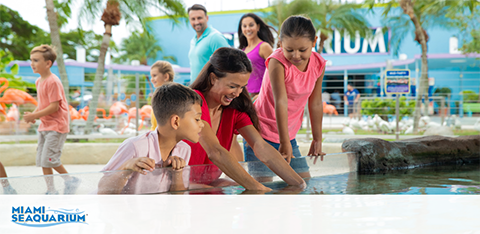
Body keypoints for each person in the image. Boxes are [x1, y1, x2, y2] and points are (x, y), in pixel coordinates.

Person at [187, 47, 306, 190]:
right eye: (232, 86)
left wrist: (299, 184)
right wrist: (257, 188)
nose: (237, 93)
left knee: (236, 187)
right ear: (213, 78)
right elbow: (215, 152)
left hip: (206, 182)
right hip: (178, 182)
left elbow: (260, 146)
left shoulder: (234, 110)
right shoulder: (194, 102)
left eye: (242, 87)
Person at [245, 15, 327, 179]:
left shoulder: (318, 63)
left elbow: (316, 102)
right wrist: (284, 143)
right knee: (262, 189)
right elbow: (280, 101)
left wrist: (317, 139)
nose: (296, 55)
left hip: (287, 135)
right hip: (260, 133)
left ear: (314, 42)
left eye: (302, 50)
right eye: (289, 50)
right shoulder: (277, 62)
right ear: (281, 44)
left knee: (302, 183)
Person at [98, 83, 205, 194]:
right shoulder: (135, 146)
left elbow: (177, 198)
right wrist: (126, 167)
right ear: (176, 122)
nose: (202, 124)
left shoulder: (184, 150)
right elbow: (102, 191)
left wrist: (177, 174)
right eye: (197, 119)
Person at [23, 45, 80, 195]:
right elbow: (43, 103)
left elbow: (54, 107)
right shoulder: (39, 81)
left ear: (48, 63)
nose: (32, 64)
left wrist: (35, 115)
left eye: (36, 60)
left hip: (56, 126)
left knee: (50, 159)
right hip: (45, 125)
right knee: (43, 160)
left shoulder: (53, 81)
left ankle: (70, 180)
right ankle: (51, 189)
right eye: (31, 60)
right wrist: (34, 114)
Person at [188, 4, 230, 83]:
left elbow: (227, 66)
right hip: (196, 89)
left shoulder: (215, 37)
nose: (196, 22)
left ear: (206, 18)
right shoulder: (193, 40)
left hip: (210, 89)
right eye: (193, 19)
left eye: (199, 18)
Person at [238, 13, 274, 99]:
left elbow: (275, 73)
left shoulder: (264, 47)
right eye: (244, 26)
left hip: (261, 96)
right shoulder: (242, 50)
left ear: (258, 27)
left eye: (251, 25)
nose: (248, 29)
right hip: (246, 97)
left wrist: (263, 94)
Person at [149, 60, 175, 130]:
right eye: (151, 76)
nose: (152, 79)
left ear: (166, 76)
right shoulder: (158, 96)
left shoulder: (171, 97)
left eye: (154, 75)